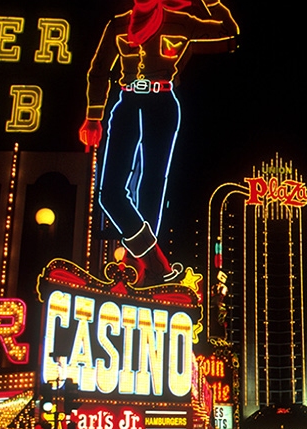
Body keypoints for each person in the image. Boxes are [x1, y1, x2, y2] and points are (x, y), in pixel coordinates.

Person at [79, 0, 238, 286]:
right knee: (110, 193)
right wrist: (93, 116)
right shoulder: (118, 24)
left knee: (152, 187)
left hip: (162, 104)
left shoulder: (182, 22)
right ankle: (155, 260)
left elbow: (229, 35)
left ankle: (143, 269)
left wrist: (212, 3)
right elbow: (99, 69)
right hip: (127, 103)